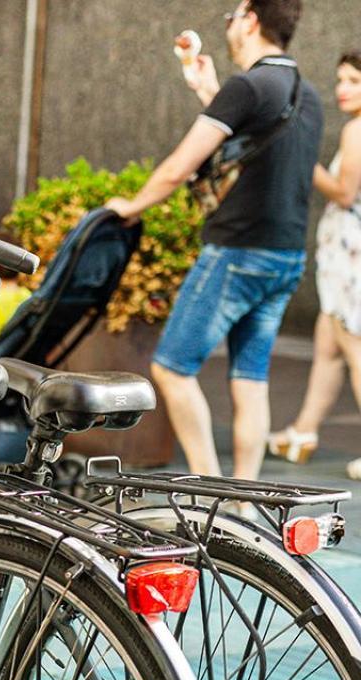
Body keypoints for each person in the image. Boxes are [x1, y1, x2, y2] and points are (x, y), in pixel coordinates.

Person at [104, 0, 322, 480]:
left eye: (232, 17)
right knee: (251, 381)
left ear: (250, 20)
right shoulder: (307, 93)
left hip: (237, 252)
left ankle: (210, 492)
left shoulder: (248, 86)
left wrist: (131, 205)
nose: (229, 27)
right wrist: (209, 92)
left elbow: (182, 164)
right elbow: (259, 145)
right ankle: (244, 498)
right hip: (285, 259)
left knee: (173, 369)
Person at [266, 50, 361, 471]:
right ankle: (304, 430)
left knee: (354, 348)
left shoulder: (358, 131)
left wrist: (301, 156)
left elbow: (344, 192)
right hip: (343, 258)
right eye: (341, 80)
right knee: (328, 348)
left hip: (350, 260)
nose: (342, 89)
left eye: (354, 81)